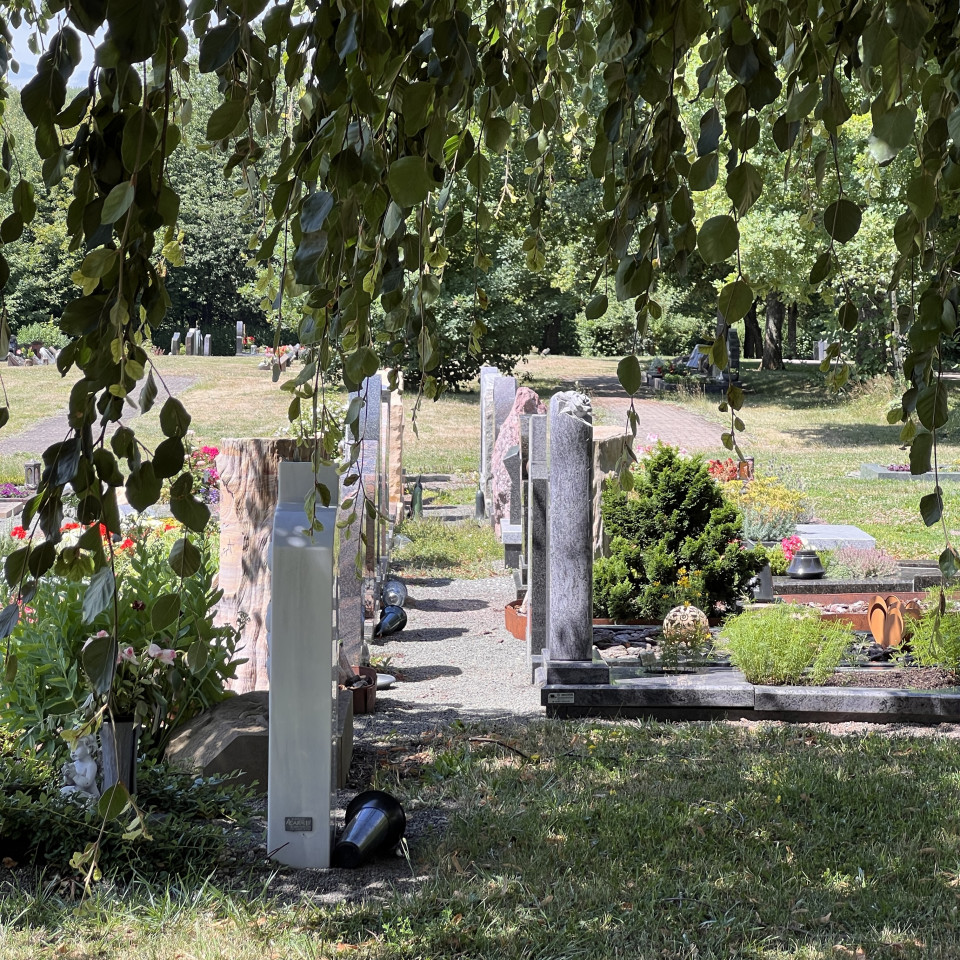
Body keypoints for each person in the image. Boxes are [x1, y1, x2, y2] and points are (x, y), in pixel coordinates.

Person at [61, 735, 100, 803]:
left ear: (89, 747)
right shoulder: (75, 764)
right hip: (77, 791)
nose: (73, 751)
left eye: (76, 748)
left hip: (89, 795)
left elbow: (87, 783)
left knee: (77, 796)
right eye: (71, 749)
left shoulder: (90, 765)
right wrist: (67, 775)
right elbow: (70, 783)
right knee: (63, 791)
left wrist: (75, 775)